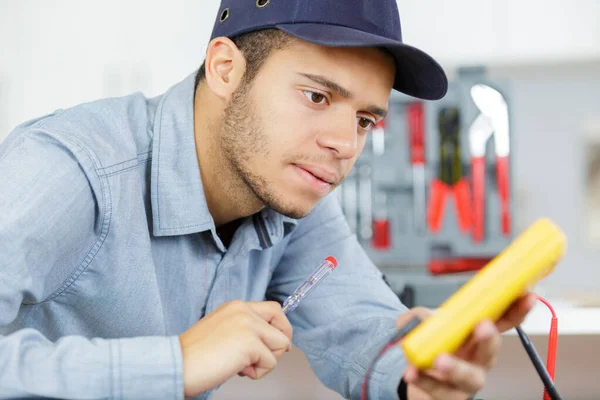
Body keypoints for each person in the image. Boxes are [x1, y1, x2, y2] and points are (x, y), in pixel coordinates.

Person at [0, 0, 535, 399]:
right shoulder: (69, 168)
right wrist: (176, 362)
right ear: (225, 69)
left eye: (364, 120)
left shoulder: (294, 195)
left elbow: (360, 324)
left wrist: (416, 374)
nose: (346, 145)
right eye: (317, 96)